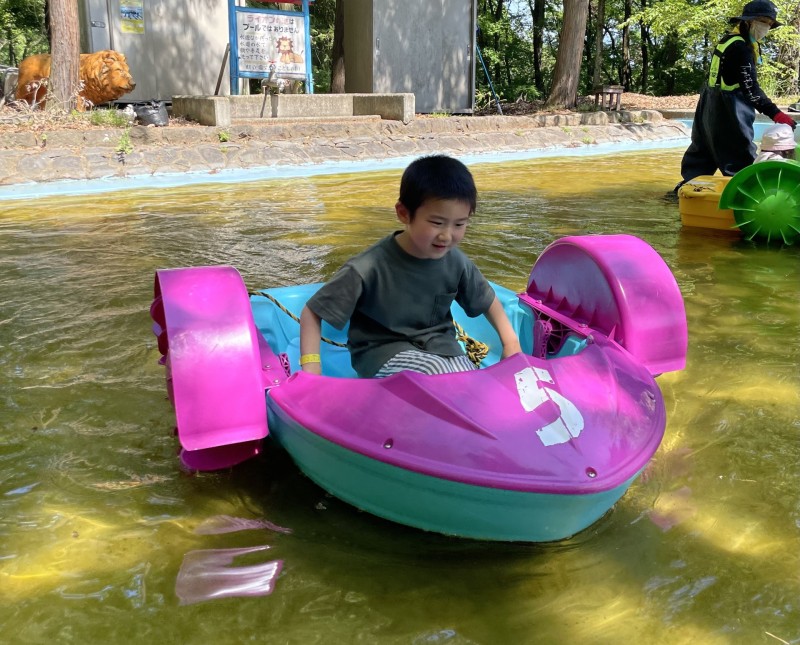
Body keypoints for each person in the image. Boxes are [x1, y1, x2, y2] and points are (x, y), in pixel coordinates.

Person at [298, 154, 523, 378]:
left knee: (472, 380)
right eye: (436, 223)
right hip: (382, 353)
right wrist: (312, 368)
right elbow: (312, 312)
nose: (446, 235)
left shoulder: (456, 261)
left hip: (441, 348)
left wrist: (511, 343)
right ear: (404, 213)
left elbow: (487, 300)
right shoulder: (368, 267)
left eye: (459, 224)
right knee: (438, 375)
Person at [676, 0, 796, 189]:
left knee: (698, 164)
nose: (766, 27)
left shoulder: (726, 41)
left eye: (770, 24)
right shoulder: (741, 48)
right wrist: (776, 114)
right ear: (748, 22)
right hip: (729, 115)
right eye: (763, 22)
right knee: (742, 167)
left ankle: (684, 198)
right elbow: (751, 90)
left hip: (707, 113)